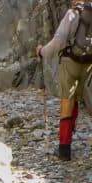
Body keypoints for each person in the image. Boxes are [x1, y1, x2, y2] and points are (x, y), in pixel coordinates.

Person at [37, 2, 92, 160]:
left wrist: (42, 51)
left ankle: (64, 150)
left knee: (67, 101)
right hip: (88, 64)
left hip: (71, 63)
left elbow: (58, 42)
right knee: (82, 100)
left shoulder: (72, 14)